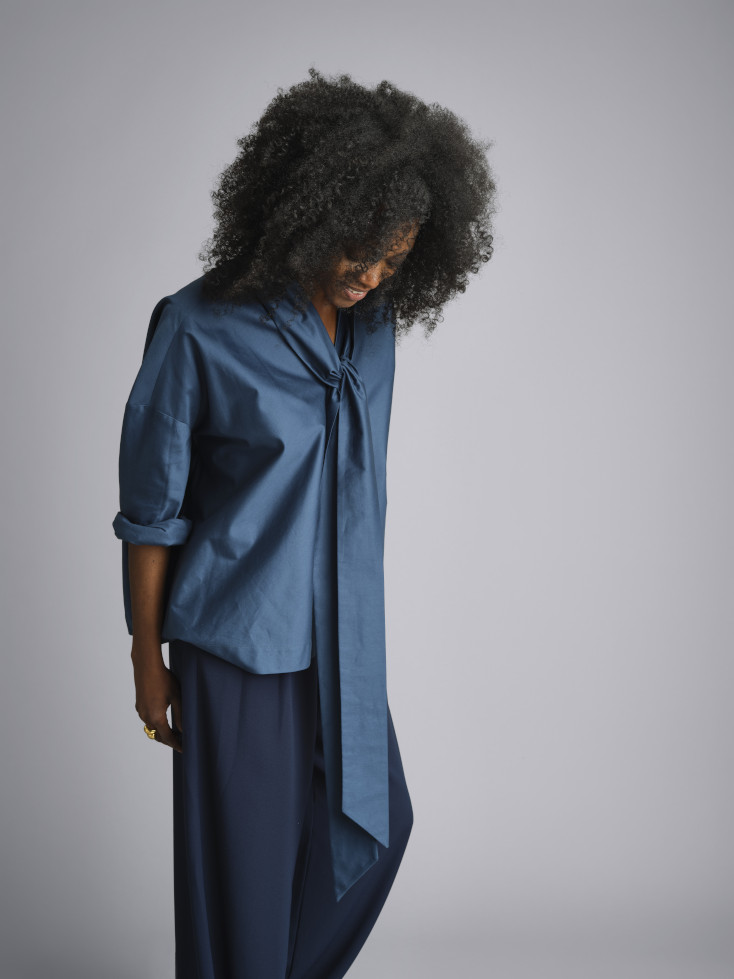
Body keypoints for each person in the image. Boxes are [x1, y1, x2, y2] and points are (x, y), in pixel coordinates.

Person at [112, 67, 497, 979]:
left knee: (378, 827)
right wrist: (145, 658)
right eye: (359, 251)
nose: (372, 276)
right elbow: (150, 514)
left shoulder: (374, 328)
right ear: (310, 212)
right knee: (243, 889)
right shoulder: (197, 327)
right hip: (239, 646)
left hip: (344, 641)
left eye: (395, 261)